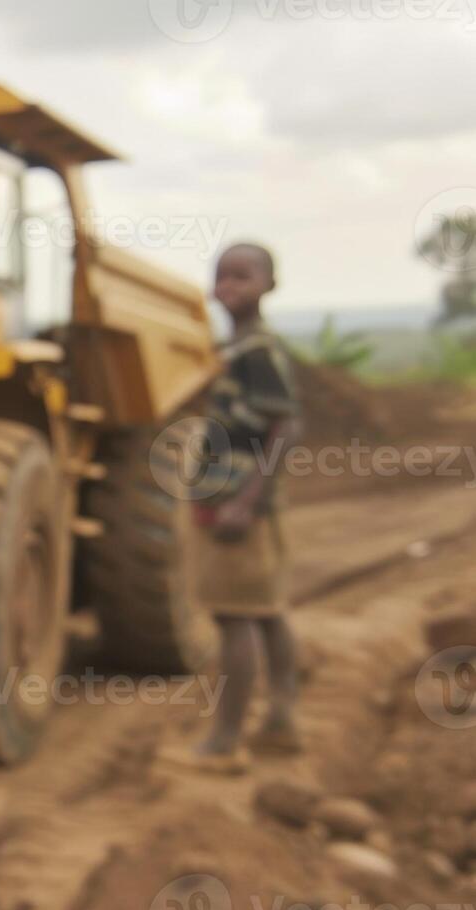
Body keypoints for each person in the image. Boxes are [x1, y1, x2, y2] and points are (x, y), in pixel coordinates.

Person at [183, 242, 303, 773]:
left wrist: (246, 502)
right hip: (230, 499)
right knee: (268, 610)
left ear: (268, 286)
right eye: (223, 277)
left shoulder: (258, 351)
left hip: (237, 504)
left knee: (234, 619)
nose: (230, 286)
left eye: (243, 276)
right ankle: (281, 720)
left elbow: (286, 426)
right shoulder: (237, 350)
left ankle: (226, 737)